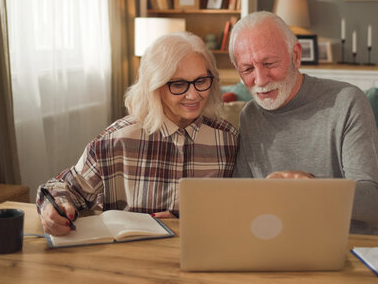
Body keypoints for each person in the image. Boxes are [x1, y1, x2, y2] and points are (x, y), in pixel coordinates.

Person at [38, 32, 238, 236]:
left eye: (201, 80)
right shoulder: (116, 140)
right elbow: (64, 189)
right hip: (127, 259)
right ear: (155, 86)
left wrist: (190, 221)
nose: (194, 94)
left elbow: (239, 211)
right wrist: (53, 208)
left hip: (202, 253)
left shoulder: (227, 140)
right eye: (178, 84)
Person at [228, 12, 378, 235]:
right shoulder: (250, 116)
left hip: (346, 249)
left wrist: (314, 190)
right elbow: (243, 200)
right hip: (277, 246)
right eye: (247, 69)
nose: (261, 80)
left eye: (270, 63)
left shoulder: (346, 101)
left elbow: (375, 205)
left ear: (296, 55)